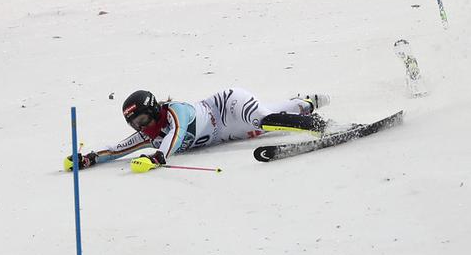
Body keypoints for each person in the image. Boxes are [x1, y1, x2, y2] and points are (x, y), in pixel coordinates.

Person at [65, 88, 330, 170]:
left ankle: (321, 126)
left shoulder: (176, 112)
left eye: (144, 120)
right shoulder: (150, 135)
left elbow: (176, 133)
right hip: (227, 133)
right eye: (136, 125)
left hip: (226, 106)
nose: (142, 128)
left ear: (155, 110)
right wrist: (88, 158)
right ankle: (305, 104)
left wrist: (158, 157)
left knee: (263, 119)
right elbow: (118, 148)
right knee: (268, 122)